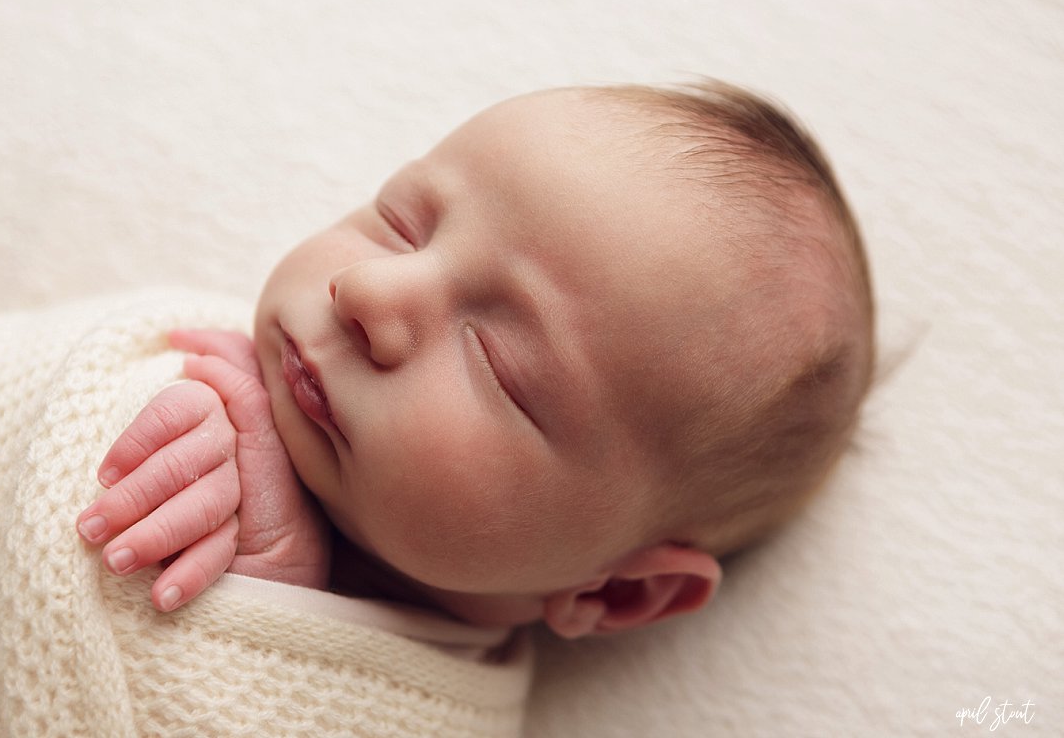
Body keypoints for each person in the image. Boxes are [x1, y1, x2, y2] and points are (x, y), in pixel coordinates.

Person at [76, 80, 875, 638]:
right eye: (401, 222)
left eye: (494, 360)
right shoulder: (186, 348)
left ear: (623, 590)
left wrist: (268, 609)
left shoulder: (422, 705)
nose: (368, 291)